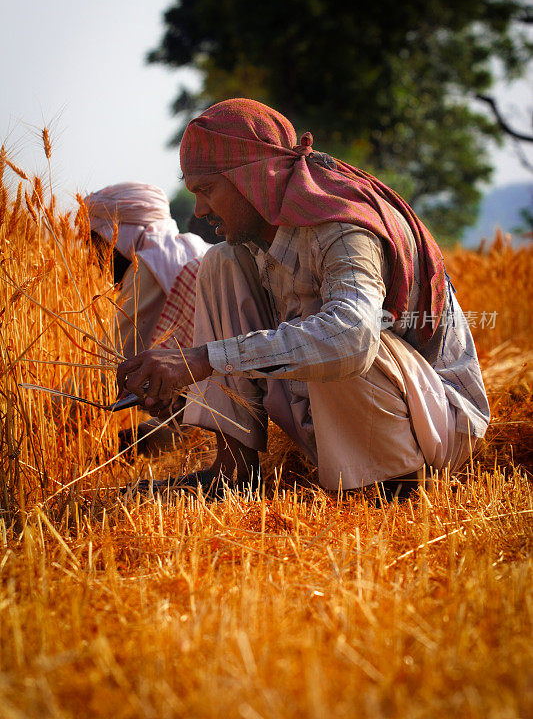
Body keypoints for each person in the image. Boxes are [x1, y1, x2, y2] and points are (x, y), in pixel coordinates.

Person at [117, 99, 490, 500]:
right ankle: (233, 472)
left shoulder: (344, 228)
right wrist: (185, 386)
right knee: (221, 261)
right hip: (334, 412)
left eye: (207, 189)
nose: (201, 209)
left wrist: (205, 359)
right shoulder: (257, 239)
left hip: (432, 426)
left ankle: (390, 483)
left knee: (340, 335)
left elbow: (353, 339)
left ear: (252, 177)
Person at [85, 182, 211, 454]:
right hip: (215, 410)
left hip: (198, 422)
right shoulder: (194, 246)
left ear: (120, 234)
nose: (92, 258)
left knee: (117, 448)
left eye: (97, 243)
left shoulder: (148, 266)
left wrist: (42, 406)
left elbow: (110, 368)